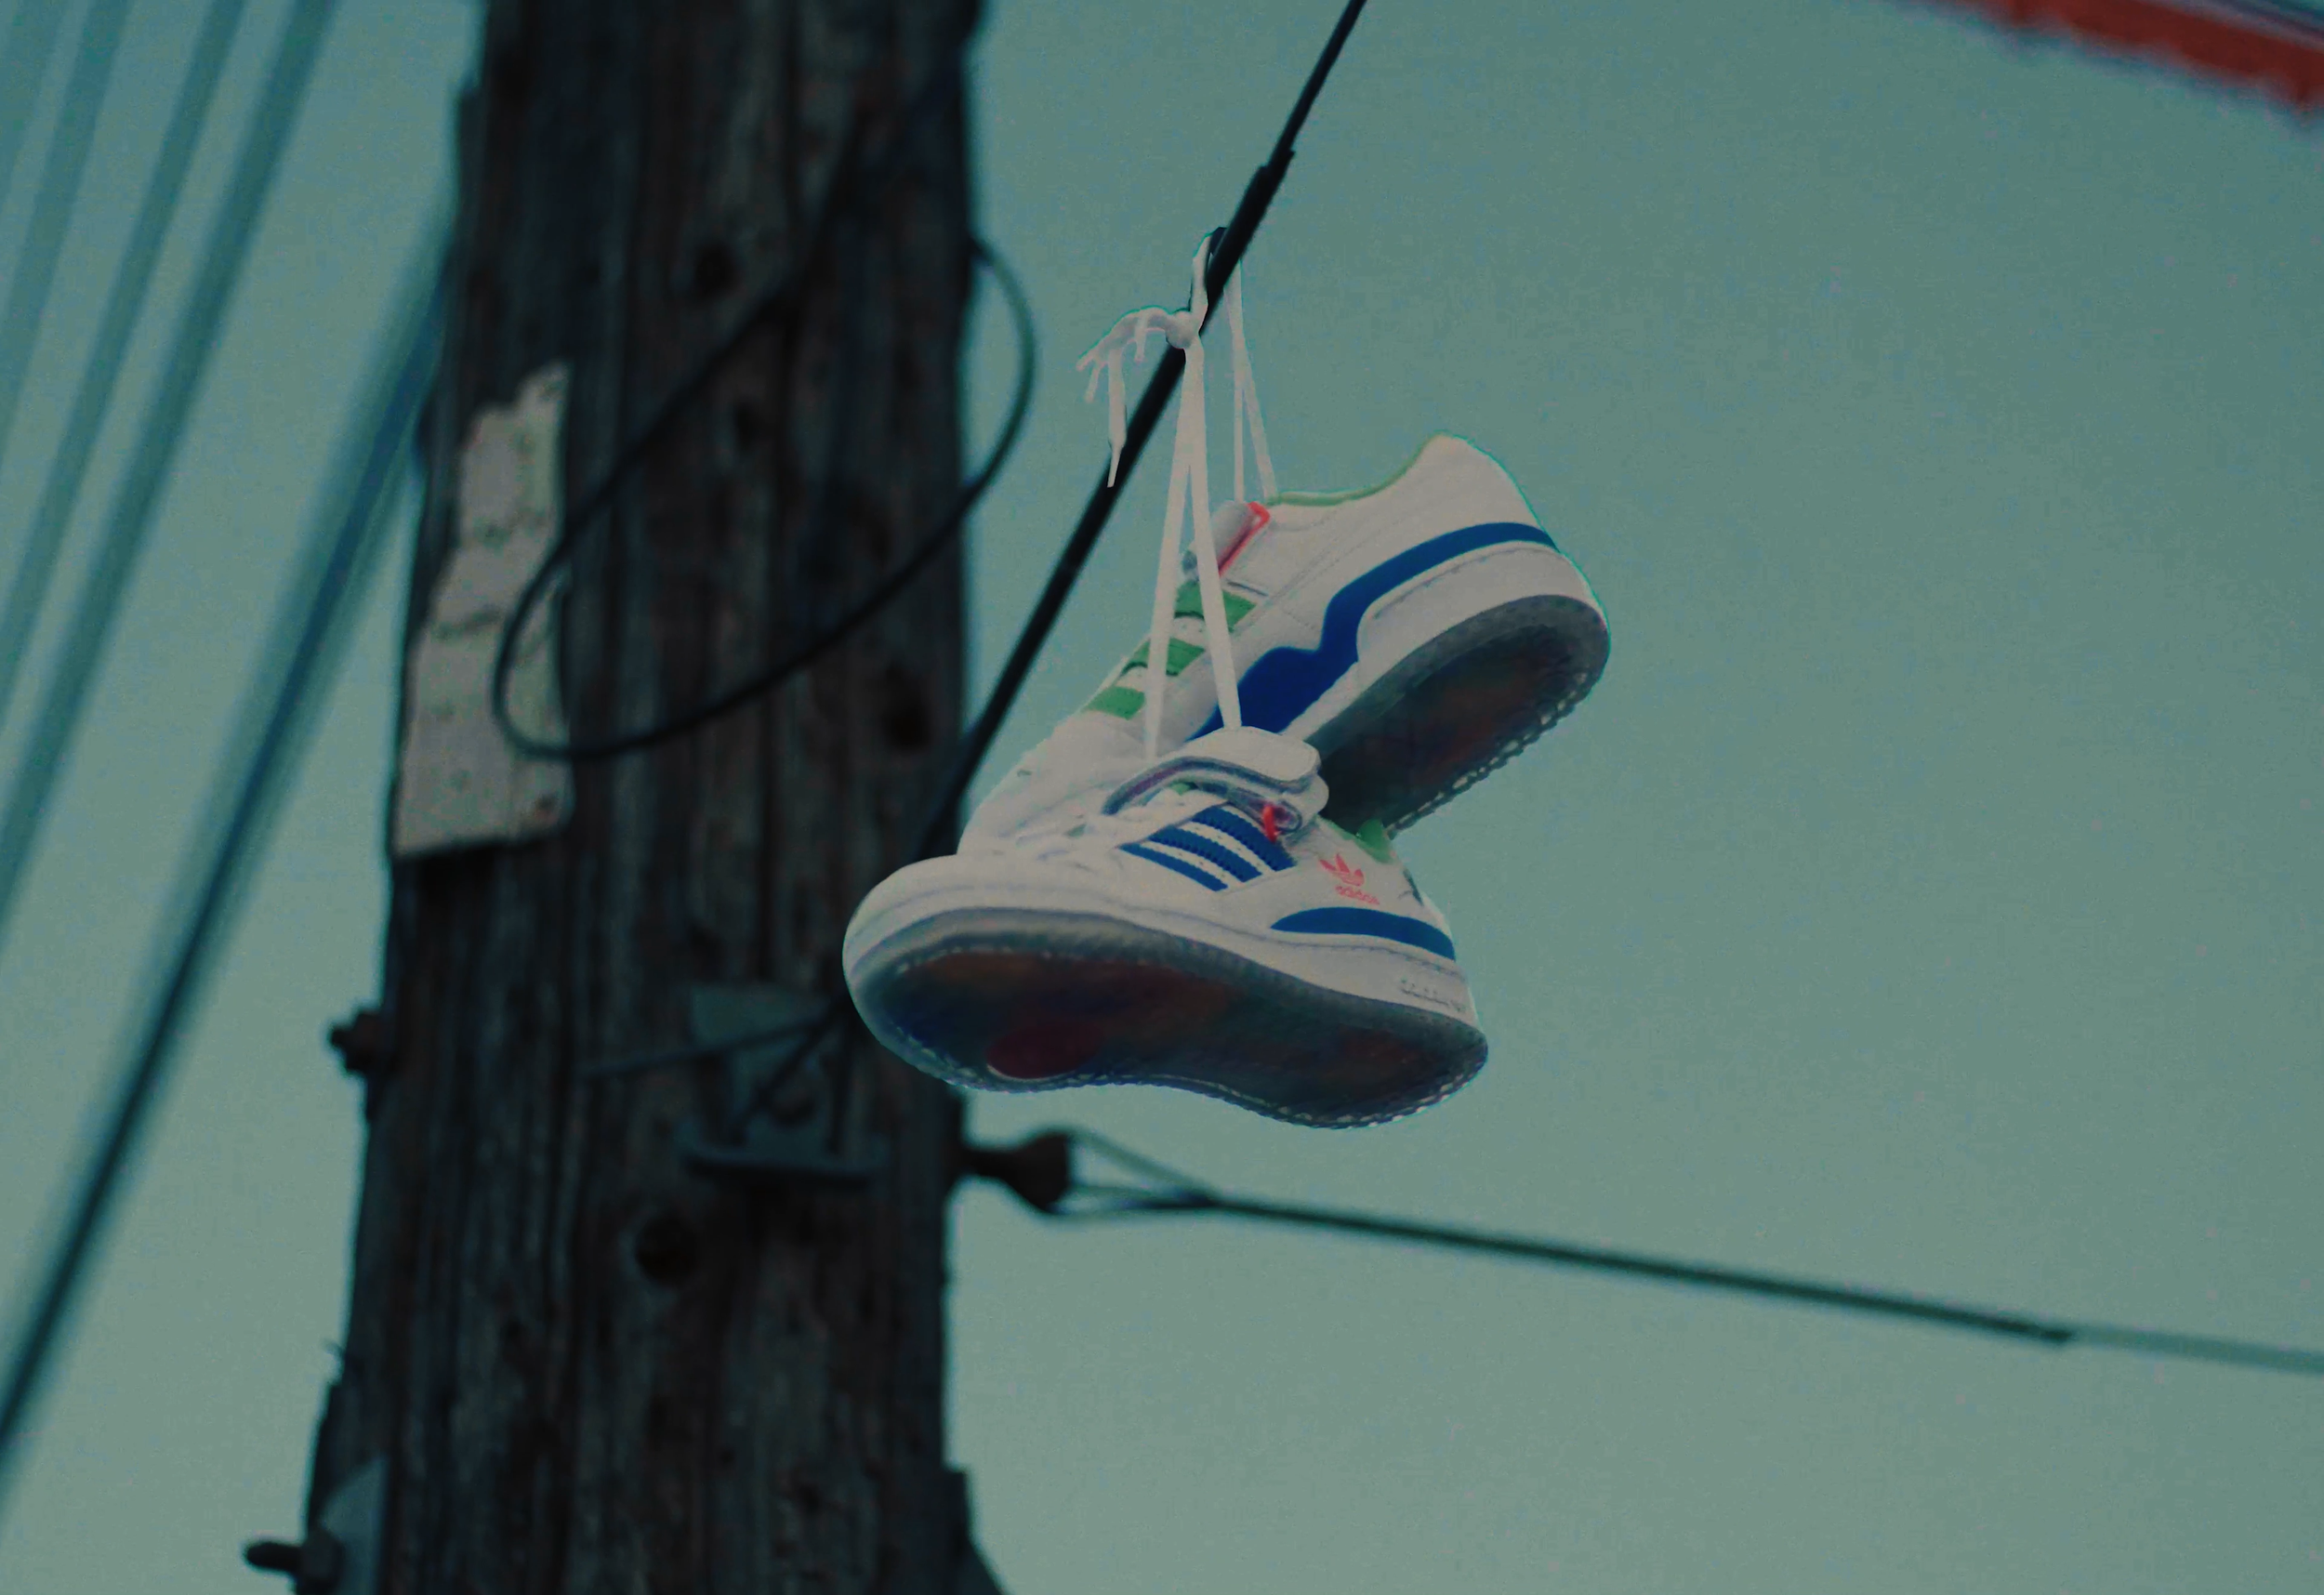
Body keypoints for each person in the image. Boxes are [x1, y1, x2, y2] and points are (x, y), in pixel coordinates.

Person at [844, 238, 1608, 1127]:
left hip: (1253, 826)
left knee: (1030, 824)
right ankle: (1312, 867)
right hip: (1293, 851)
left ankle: (1227, 818)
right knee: (1026, 833)